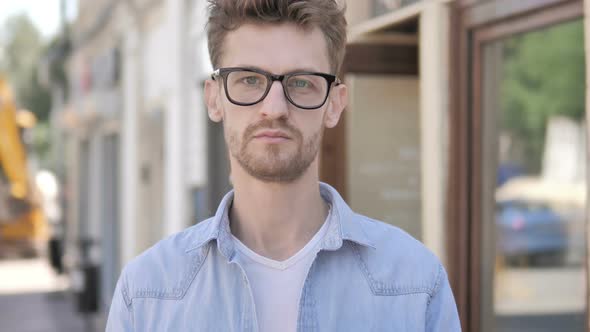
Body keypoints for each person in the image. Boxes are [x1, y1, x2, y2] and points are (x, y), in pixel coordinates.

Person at [106, 0, 461, 331]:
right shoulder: (146, 293)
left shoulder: (415, 285)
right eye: (249, 79)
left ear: (334, 104)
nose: (274, 107)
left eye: (302, 83)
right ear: (214, 99)